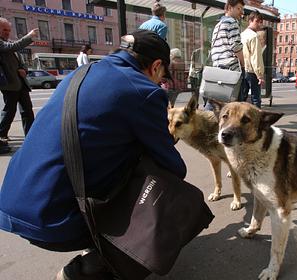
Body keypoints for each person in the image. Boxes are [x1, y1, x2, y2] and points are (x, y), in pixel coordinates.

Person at [0, 29, 186, 280]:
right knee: (171, 193)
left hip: (14, 201)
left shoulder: (79, 73)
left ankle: (99, 242)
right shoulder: (144, 90)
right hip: (55, 221)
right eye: (162, 75)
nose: (160, 81)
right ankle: (90, 269)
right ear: (155, 66)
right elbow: (174, 167)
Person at [0, 17, 37, 149]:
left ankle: (31, 136)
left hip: (20, 83)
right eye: (4, 30)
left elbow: (20, 62)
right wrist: (28, 37)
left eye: (9, 30)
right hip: (9, 84)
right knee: (9, 111)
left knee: (27, 110)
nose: (7, 32)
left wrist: (24, 70)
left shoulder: (7, 42)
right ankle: (0, 135)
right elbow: (13, 47)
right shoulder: (3, 44)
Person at [205, 0, 245, 110]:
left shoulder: (218, 25)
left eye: (242, 9)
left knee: (215, 102)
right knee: (234, 105)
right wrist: (243, 64)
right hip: (230, 68)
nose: (241, 12)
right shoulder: (232, 22)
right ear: (229, 8)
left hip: (219, 66)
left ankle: (206, 122)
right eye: (238, 8)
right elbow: (236, 47)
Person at [240, 11, 265, 108]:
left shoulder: (242, 35)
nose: (259, 24)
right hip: (252, 71)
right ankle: (257, 121)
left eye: (260, 22)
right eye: (257, 21)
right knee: (256, 99)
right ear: (250, 21)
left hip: (242, 69)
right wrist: (260, 75)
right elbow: (256, 57)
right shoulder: (254, 36)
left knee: (242, 98)